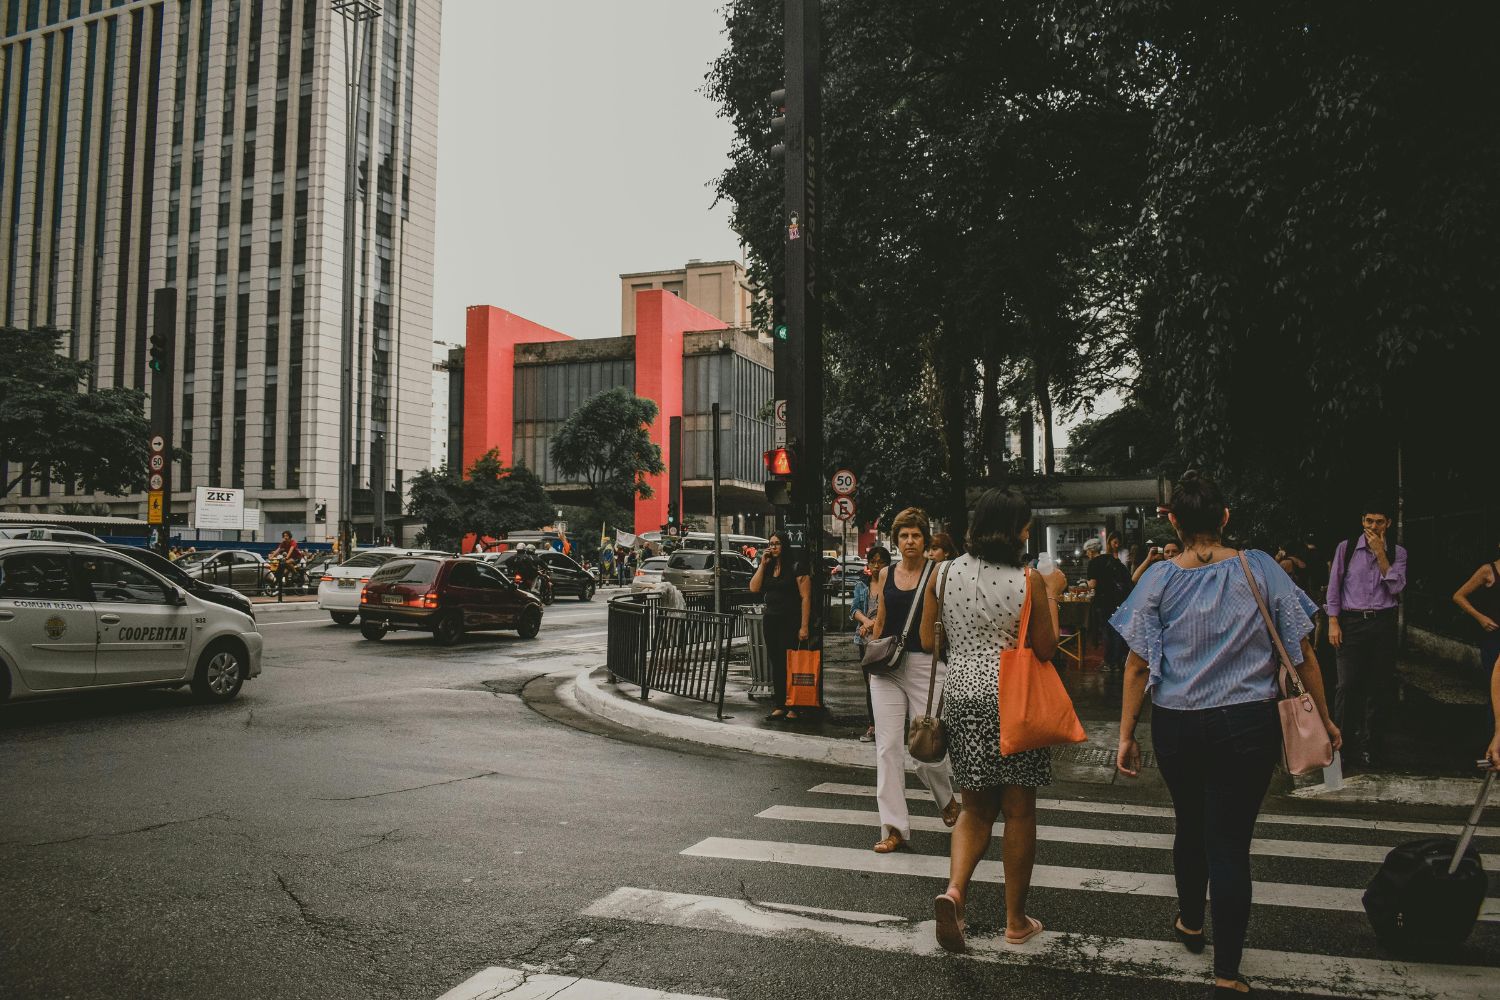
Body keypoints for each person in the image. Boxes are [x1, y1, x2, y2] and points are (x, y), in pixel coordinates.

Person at [1113, 471, 1340, 998]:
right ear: (1226, 517)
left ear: (1172, 519)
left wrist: (1126, 734)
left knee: (1189, 823)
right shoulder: (1259, 568)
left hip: (1177, 724)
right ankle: (1227, 972)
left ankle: (1191, 921)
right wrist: (1325, 719)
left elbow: (1136, 665)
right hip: (1247, 724)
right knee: (1231, 843)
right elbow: (1303, 651)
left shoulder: (1159, 579)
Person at [924, 489, 1057, 953]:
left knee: (974, 807)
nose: (1027, 532)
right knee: (1019, 811)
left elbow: (927, 636)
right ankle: (1015, 920)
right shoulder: (1030, 579)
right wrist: (1051, 596)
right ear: (1015, 530)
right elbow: (1045, 647)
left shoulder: (943, 572)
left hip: (961, 696)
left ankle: (955, 891)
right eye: (1025, 525)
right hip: (1012, 698)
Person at [868, 508, 957, 853]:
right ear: (896, 540)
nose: (909, 542)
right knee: (887, 748)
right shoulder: (887, 573)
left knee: (926, 747)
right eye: (903, 536)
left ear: (925, 539)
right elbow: (880, 622)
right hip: (887, 668)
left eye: (916, 536)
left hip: (926, 666)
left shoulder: (938, 573)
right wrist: (871, 662)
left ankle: (946, 798)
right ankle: (893, 828)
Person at [1326, 502, 1408, 768]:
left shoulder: (1398, 552)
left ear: (1388, 524)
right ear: (1362, 521)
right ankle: (1341, 746)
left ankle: (1373, 747)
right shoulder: (1346, 548)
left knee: (1379, 686)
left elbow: (1396, 588)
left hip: (1382, 624)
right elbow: (1334, 585)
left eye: (1379, 522)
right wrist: (1333, 621)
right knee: (1347, 685)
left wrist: (1381, 555)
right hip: (1351, 622)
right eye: (1369, 521)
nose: (1374, 527)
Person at [749, 531, 812, 722]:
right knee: (776, 662)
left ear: (784, 545)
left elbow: (806, 597)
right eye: (771, 543)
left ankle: (794, 705)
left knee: (791, 662)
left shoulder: (796, 567)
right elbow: (753, 587)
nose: (773, 547)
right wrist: (762, 564)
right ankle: (780, 705)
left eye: (777, 543)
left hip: (790, 620)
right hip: (772, 619)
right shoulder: (768, 567)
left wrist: (804, 626)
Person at [1452, 546, 1500, 770]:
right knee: (1496, 692)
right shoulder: (1488, 571)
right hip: (1495, 638)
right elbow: (1459, 595)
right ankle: (1494, 752)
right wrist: (1480, 618)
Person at [850, 545, 891, 743]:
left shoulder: (891, 585)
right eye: (873, 562)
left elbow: (891, 610)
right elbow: (854, 609)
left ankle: (886, 725)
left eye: (880, 562)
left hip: (885, 640)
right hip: (865, 641)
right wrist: (865, 622)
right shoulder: (862, 585)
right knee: (870, 685)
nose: (876, 566)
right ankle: (873, 725)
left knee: (886, 684)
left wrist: (872, 624)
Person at [1088, 532, 1132, 670]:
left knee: (1107, 631)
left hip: (1103, 601)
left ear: (1090, 551)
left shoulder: (1094, 563)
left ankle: (1108, 662)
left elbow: (1092, 584)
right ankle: (1118, 662)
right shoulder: (1114, 561)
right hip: (1119, 600)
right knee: (1117, 630)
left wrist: (1087, 583)